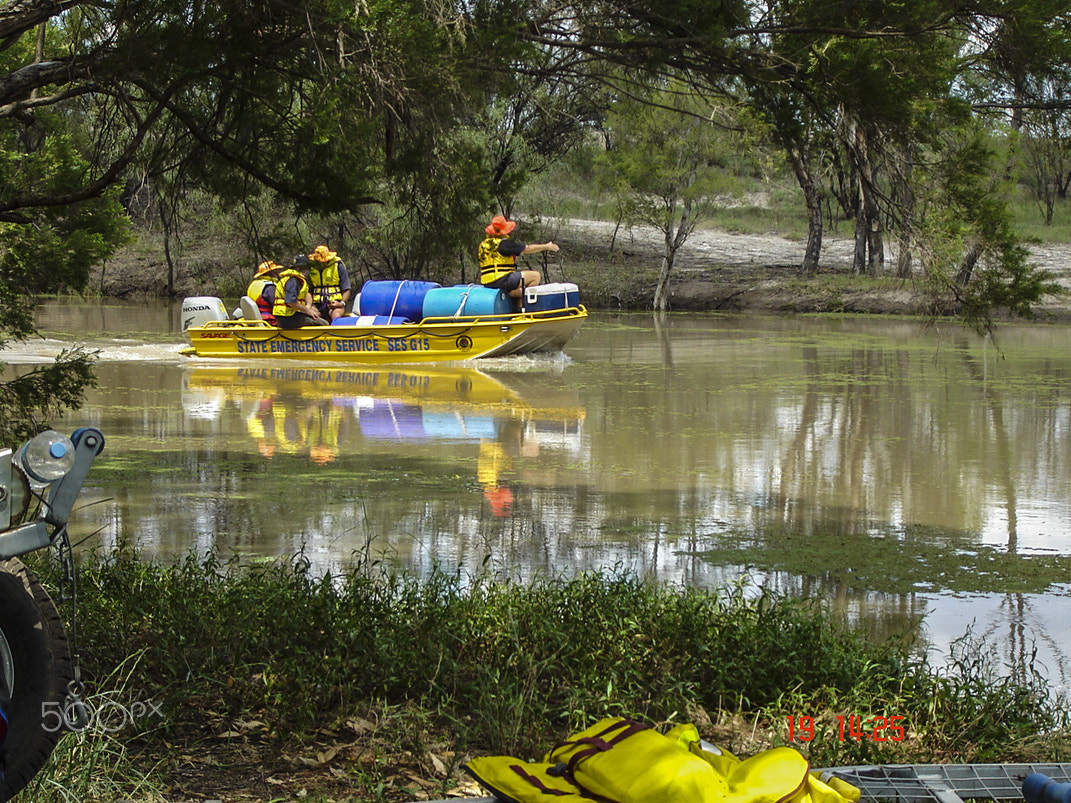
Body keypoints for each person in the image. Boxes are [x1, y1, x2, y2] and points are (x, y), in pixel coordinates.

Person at [477, 215, 558, 299]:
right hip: (502, 279)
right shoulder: (503, 244)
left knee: (519, 287)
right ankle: (520, 305)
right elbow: (528, 249)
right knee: (535, 276)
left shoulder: (483, 244)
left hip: (486, 281)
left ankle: (511, 299)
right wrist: (546, 246)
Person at [272, 260, 330, 328]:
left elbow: (306, 293)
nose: (308, 270)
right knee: (324, 324)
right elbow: (291, 302)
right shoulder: (293, 280)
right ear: (299, 268)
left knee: (317, 317)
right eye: (306, 267)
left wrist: (309, 306)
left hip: (290, 315)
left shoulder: (298, 279)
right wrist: (307, 310)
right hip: (287, 318)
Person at [306, 245, 352, 321]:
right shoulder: (311, 269)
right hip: (317, 304)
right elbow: (308, 291)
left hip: (335, 304)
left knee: (335, 315)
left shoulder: (338, 265)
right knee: (312, 316)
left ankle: (336, 331)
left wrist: (341, 303)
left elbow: (346, 289)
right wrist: (309, 306)